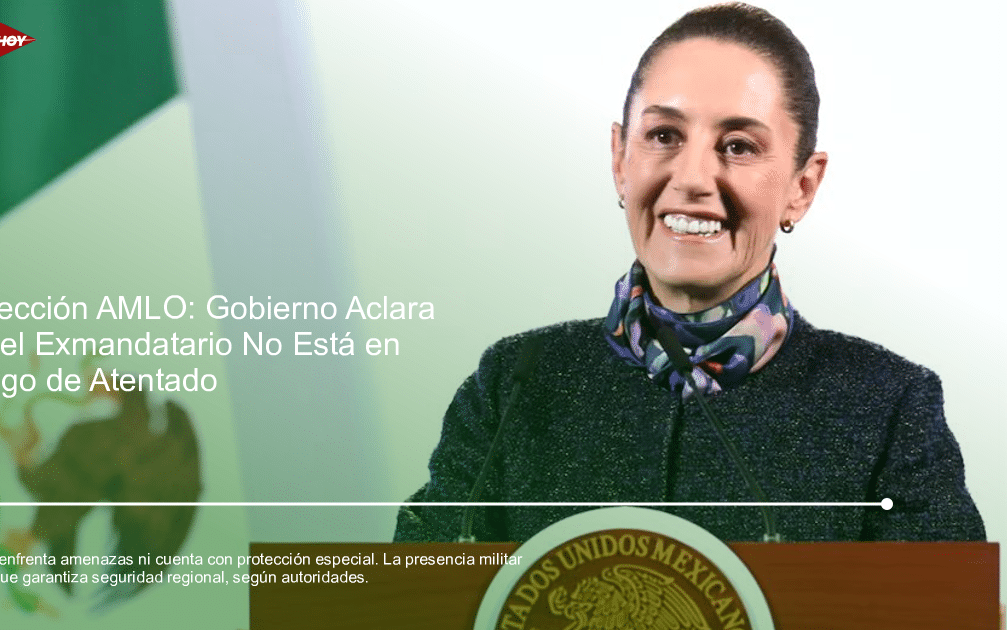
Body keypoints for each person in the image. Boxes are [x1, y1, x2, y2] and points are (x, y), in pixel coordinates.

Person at [394, 3, 984, 543]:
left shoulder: (888, 406)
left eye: (738, 145)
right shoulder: (513, 384)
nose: (693, 177)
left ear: (802, 187)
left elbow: (948, 605)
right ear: (620, 159)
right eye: (664, 136)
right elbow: (410, 592)